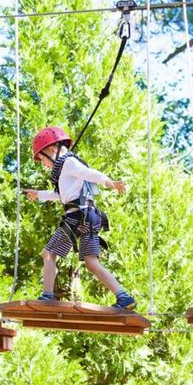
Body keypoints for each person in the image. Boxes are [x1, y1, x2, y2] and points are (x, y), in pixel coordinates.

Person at [23, 126, 136, 310]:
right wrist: (38, 194)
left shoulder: (68, 163)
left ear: (52, 150)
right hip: (90, 216)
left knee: (49, 253)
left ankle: (47, 297)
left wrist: (109, 182)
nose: (44, 164)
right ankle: (124, 297)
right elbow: (62, 196)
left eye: (43, 159)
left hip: (77, 217)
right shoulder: (65, 169)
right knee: (92, 263)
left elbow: (90, 173)